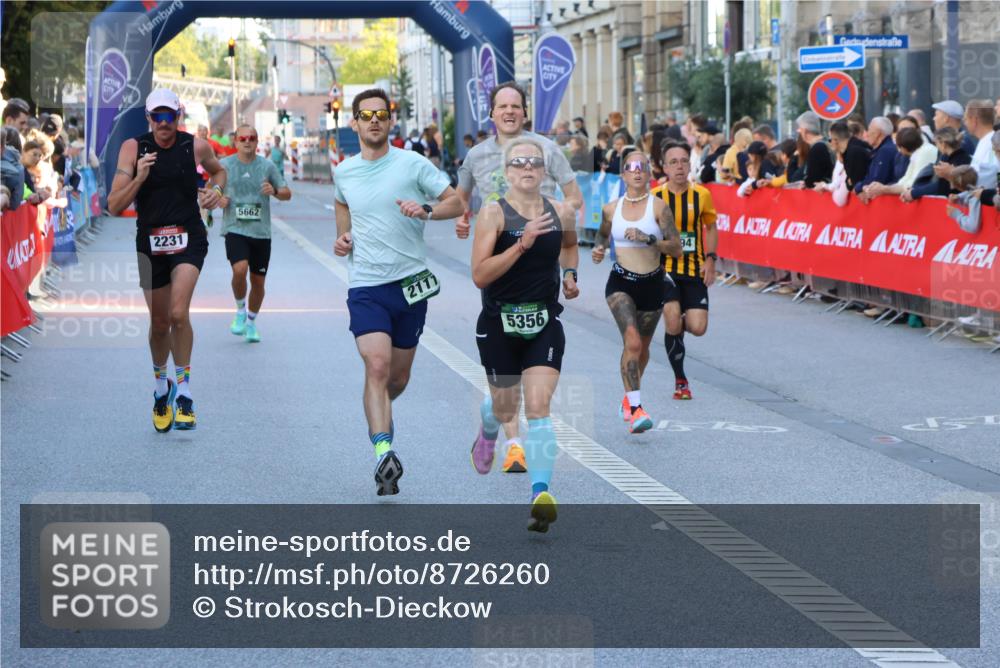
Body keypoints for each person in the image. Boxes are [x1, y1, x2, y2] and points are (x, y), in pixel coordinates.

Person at [333, 89, 463, 496]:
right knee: (376, 366)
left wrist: (426, 210)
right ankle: (383, 452)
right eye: (365, 115)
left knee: (397, 377)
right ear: (354, 123)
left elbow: (456, 203)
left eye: (381, 114)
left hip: (410, 285)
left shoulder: (413, 164)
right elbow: (342, 206)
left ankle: (381, 414)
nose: (373, 120)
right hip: (367, 284)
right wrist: (344, 237)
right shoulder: (345, 171)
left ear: (390, 121)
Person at [455, 80, 582, 474]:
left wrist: (560, 216)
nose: (509, 111)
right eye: (502, 106)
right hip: (500, 262)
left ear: (525, 112)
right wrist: (462, 216)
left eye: (516, 106)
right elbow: (461, 198)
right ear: (491, 113)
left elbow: (573, 197)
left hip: (540, 262)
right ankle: (505, 434)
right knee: (507, 393)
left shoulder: (545, 150)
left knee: (533, 397)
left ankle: (516, 449)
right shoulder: (476, 155)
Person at [468, 136, 579, 531]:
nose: (527, 167)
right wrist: (521, 244)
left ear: (544, 169)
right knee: (504, 407)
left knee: (538, 409)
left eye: (534, 161)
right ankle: (489, 426)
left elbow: (569, 246)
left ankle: (540, 494)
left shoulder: (561, 211)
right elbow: (480, 274)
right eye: (519, 163)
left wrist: (569, 274)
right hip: (498, 323)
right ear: (506, 172)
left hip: (544, 322)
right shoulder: (493, 214)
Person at [106, 88, 227, 432]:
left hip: (188, 238)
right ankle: (162, 388)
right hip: (150, 242)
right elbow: (114, 205)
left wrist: (215, 193)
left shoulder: (195, 146)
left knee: (178, 313)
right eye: (157, 117)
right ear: (148, 118)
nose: (163, 123)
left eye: (169, 116)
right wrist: (140, 177)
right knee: (159, 323)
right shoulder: (133, 149)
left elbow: (219, 172)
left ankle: (185, 391)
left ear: (178, 116)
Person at [591, 149, 682, 433]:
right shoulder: (611, 208)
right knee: (631, 343)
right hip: (620, 284)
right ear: (623, 174)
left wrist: (649, 239)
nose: (637, 170)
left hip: (653, 284)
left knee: (641, 350)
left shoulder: (658, 208)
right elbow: (603, 234)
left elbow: (677, 248)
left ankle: (628, 401)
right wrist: (599, 248)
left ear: (649, 173)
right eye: (631, 166)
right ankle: (637, 407)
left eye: (642, 165)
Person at [652, 142, 718, 400]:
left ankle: (675, 327)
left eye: (683, 161)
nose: (679, 166)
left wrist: (711, 260)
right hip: (663, 269)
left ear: (689, 165)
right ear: (665, 167)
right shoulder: (656, 197)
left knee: (697, 327)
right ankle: (681, 380)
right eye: (674, 162)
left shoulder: (701, 195)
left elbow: (711, 227)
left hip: (693, 269)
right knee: (671, 318)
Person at [217, 125, 292, 343]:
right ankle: (240, 311)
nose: (247, 141)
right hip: (235, 228)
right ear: (236, 142)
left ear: (257, 141)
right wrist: (218, 198)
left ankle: (250, 322)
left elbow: (287, 193)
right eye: (243, 138)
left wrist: (275, 192)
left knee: (258, 282)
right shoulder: (225, 165)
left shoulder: (267, 166)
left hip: (261, 232)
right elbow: (210, 190)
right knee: (239, 270)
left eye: (252, 138)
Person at [860, 125, 937, 201]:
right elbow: (905, 180)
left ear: (903, 148)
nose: (899, 151)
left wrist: (885, 189)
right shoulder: (918, 152)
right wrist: (883, 188)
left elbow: (912, 184)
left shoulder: (925, 152)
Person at [902, 127, 972, 201]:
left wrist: (914, 192)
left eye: (936, 143)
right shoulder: (947, 157)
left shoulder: (960, 159)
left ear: (943, 144)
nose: (937, 146)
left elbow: (941, 186)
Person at [854, 117, 900, 194]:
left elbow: (877, 180)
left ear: (878, 133)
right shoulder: (882, 150)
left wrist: (858, 187)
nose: (867, 134)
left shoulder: (885, 151)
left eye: (869, 130)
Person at [826, 121, 870, 191]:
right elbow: (849, 183)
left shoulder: (854, 152)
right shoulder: (848, 151)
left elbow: (856, 183)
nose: (829, 143)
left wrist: (851, 182)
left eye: (829, 140)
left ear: (835, 140)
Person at [794, 111, 834, 188]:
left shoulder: (817, 148)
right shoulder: (826, 144)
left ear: (805, 131)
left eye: (800, 130)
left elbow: (812, 180)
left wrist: (805, 183)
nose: (799, 132)